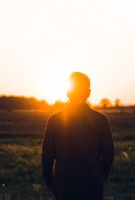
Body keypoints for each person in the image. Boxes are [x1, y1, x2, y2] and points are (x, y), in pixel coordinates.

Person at [42, 72, 114, 200]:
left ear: (67, 92)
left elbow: (47, 156)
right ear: (88, 93)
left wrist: (50, 182)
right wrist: (100, 177)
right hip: (93, 187)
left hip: (64, 187)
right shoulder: (101, 120)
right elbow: (108, 155)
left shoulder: (54, 120)